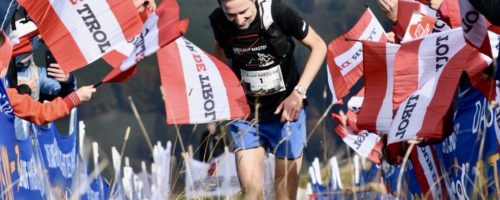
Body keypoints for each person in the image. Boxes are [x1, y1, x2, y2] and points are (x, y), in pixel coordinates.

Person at [209, 0, 327, 199]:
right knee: (252, 193)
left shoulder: (279, 13)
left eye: (244, 12)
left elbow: (319, 46)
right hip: (246, 116)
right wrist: (227, 86)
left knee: (284, 195)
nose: (239, 20)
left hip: (286, 113)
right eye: (231, 14)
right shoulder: (219, 21)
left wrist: (298, 93)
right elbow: (219, 48)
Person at [0, 30, 96, 125]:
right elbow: (42, 113)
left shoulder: (37, 75)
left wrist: (68, 81)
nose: (23, 54)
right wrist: (22, 90)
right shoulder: (8, 94)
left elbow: (64, 94)